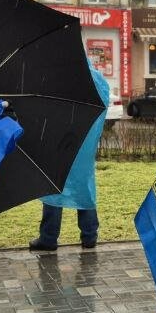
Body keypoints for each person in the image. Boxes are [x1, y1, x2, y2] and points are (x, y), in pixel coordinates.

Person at [30, 62, 108, 252]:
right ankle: (89, 235)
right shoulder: (97, 78)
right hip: (85, 140)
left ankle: (48, 237)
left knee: (53, 184)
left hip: (60, 139)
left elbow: (48, 107)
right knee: (84, 184)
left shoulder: (60, 75)